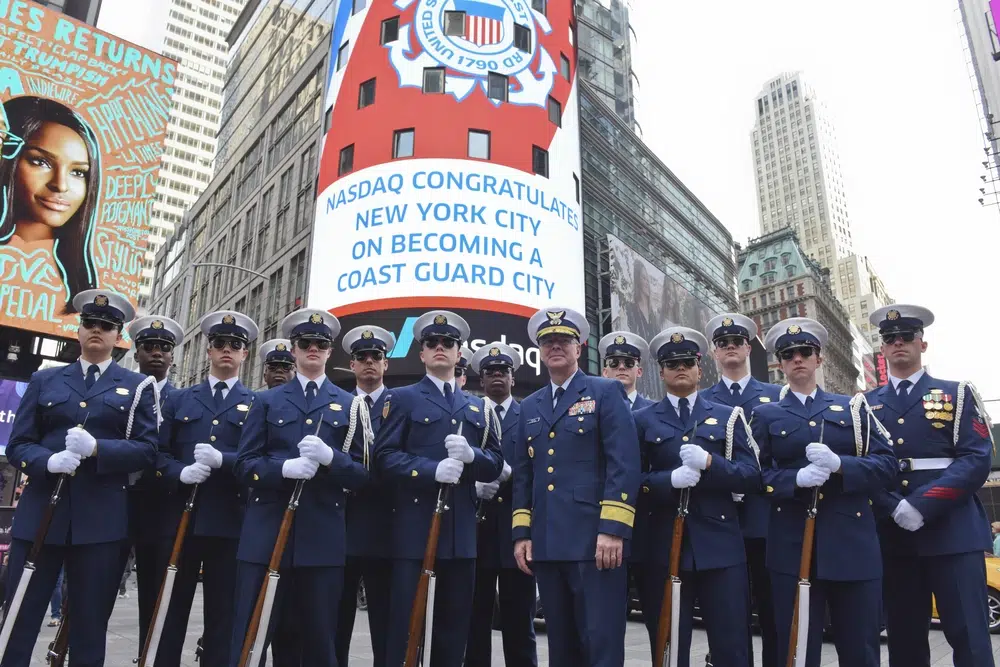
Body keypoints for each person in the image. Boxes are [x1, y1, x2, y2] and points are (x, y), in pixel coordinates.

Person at [2, 289, 157, 667]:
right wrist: (48, 460)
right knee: (20, 617)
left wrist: (99, 449)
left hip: (99, 525)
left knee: (89, 626)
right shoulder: (45, 380)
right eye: (90, 323)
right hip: (41, 516)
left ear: (118, 335)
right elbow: (18, 444)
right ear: (79, 329)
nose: (97, 331)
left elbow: (147, 450)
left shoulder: (138, 387)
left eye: (107, 326)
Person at [752, 317, 896, 667]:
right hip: (792, 543)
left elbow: (886, 464)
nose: (797, 359)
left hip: (851, 542)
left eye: (805, 352)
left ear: (819, 359)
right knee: (798, 648)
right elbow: (754, 477)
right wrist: (794, 480)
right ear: (780, 363)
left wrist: (841, 465)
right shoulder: (765, 415)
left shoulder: (853, 408)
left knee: (860, 647)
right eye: (788, 354)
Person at [231, 308, 368, 666]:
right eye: (305, 343)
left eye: (320, 344)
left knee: (318, 642)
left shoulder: (351, 405)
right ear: (293, 349)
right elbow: (244, 466)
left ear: (329, 351)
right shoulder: (264, 401)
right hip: (266, 535)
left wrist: (331, 459)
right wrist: (283, 469)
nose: (313, 349)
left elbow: (360, 475)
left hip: (322, 541)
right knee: (251, 636)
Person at [866, 304, 996, 667]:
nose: (898, 343)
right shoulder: (865, 404)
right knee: (905, 641)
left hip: (952, 532)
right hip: (893, 535)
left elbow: (977, 459)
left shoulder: (957, 393)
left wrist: (921, 504)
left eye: (906, 336)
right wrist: (893, 506)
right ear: (883, 349)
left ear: (922, 344)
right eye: (890, 339)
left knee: (969, 635)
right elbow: (862, 468)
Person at [512, 307, 640, 667]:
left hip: (594, 544)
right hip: (548, 544)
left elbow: (624, 464)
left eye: (563, 340)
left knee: (600, 642)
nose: (556, 346)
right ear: (539, 348)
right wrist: (522, 534)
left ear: (579, 347)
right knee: (561, 647)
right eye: (548, 341)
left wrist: (613, 530)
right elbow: (524, 476)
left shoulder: (605, 391)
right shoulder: (530, 407)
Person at [376, 310, 504, 667]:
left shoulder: (476, 406)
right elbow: (384, 458)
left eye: (448, 343)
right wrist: (431, 470)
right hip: (415, 533)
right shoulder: (401, 398)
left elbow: (494, 461)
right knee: (406, 629)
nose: (440, 348)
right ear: (421, 353)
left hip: (460, 535)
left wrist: (471, 455)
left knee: (453, 632)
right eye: (431, 343)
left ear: (459, 352)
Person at [634, 326, 760, 667]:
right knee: (670, 645)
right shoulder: (642, 421)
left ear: (699, 368)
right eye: (672, 363)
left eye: (688, 361)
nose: (681, 368)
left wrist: (711, 463)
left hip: (720, 545)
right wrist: (667, 481)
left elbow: (751, 476)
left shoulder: (727, 416)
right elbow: (632, 482)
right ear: (661, 372)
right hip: (664, 545)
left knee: (731, 644)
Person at [154, 311, 257, 667]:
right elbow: (158, 455)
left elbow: (257, 461)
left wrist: (224, 461)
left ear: (245, 354)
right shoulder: (180, 399)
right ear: (208, 351)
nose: (227, 350)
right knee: (170, 609)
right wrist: (179, 473)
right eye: (220, 344)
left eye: (236, 345)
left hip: (230, 522)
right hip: (181, 519)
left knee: (223, 614)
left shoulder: (257, 404)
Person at [700, 313, 781, 667]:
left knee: (774, 612)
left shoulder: (777, 395)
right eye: (722, 344)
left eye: (736, 342)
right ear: (714, 353)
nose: (730, 348)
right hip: (719, 521)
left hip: (766, 520)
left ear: (748, 348)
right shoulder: (701, 400)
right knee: (728, 619)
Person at [466, 342, 536, 667]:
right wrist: (475, 483)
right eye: (490, 372)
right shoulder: (468, 413)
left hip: (515, 532)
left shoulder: (529, 415)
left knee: (519, 624)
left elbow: (537, 470)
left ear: (513, 377)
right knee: (474, 623)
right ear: (481, 381)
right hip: (475, 533)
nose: (497, 376)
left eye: (503, 371)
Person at [0, 96, 101, 316]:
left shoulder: (79, 288)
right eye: (40, 162)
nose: (60, 185)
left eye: (78, 172)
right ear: (7, 158)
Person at [335, 325, 396, 667]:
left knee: (386, 626)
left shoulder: (400, 403)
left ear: (385, 364)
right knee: (336, 622)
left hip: (384, 527)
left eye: (376, 357)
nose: (370, 362)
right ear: (352, 364)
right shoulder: (339, 403)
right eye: (362, 357)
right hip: (340, 525)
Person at [125, 314, 183, 651]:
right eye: (149, 346)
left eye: (164, 347)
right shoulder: (121, 393)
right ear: (137, 353)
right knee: (93, 594)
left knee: (155, 597)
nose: (157, 352)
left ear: (173, 356)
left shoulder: (181, 400)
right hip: (115, 500)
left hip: (161, 507)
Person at [254, 338, 298, 667]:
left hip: (301, 529)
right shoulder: (258, 403)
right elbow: (247, 462)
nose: (280, 372)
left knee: (291, 629)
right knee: (255, 623)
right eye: (274, 367)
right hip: (258, 520)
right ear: (264, 372)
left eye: (286, 367)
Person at [598, 331, 654, 410]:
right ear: (605, 372)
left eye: (629, 363)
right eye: (614, 363)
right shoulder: (597, 410)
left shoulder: (653, 410)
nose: (621, 367)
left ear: (639, 371)